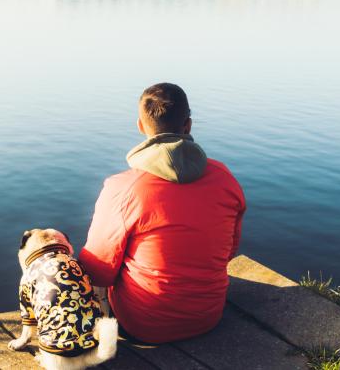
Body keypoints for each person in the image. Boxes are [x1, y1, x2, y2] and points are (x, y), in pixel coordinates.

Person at [79, 82, 246, 344]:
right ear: (188, 125)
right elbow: (230, 250)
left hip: (142, 325)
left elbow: (98, 272)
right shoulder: (225, 179)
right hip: (208, 316)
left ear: (141, 126)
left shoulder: (122, 189)